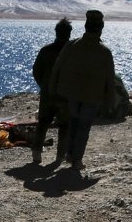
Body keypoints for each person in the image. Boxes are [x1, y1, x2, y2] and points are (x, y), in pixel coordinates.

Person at [49, 9, 116, 172]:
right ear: (100, 29)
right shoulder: (104, 52)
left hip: (72, 93)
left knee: (74, 122)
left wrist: (53, 89)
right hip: (91, 96)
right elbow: (110, 79)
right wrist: (110, 101)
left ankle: (70, 154)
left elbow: (57, 67)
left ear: (86, 26)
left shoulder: (72, 45)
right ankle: (76, 159)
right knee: (83, 127)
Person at [30, 18, 71, 166]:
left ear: (56, 32)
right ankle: (60, 156)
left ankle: (36, 153)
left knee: (43, 123)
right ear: (69, 34)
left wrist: (44, 86)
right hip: (65, 96)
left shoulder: (45, 51)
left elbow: (36, 71)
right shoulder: (71, 52)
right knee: (64, 126)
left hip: (47, 94)